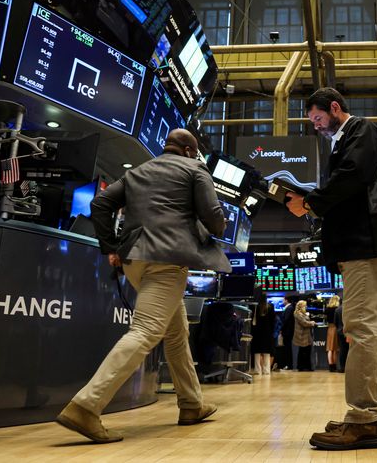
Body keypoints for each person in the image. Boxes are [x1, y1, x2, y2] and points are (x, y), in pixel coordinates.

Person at [56, 129, 230, 443]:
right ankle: (87, 405)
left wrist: (110, 247)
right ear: (191, 151)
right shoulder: (195, 169)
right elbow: (214, 218)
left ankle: (192, 403)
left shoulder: (139, 171)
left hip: (134, 259)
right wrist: (217, 224)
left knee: (176, 332)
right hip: (168, 259)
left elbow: (100, 204)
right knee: (146, 330)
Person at [286, 87, 377, 450]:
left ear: (335, 108)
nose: (316, 126)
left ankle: (363, 418)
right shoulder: (346, 139)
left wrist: (310, 202)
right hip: (366, 243)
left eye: (318, 118)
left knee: (360, 327)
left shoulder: (362, 130)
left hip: (367, 242)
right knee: (371, 328)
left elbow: (352, 176)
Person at [251, 296, 276, 375]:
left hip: (257, 332)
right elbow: (273, 320)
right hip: (267, 332)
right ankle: (266, 370)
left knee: (257, 352)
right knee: (267, 352)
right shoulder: (270, 307)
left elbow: (252, 319)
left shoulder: (255, 307)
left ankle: (257, 370)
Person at [293, 300, 316, 371]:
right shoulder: (298, 314)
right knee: (303, 351)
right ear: (301, 306)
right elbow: (304, 323)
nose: (306, 307)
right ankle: (301, 366)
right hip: (302, 335)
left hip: (306, 335)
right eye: (305, 305)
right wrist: (312, 323)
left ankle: (307, 366)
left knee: (307, 351)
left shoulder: (303, 313)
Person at [325, 295, 341, 372]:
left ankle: (331, 365)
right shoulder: (337, 309)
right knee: (335, 348)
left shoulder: (327, 309)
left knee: (329, 348)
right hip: (335, 328)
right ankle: (334, 365)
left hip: (329, 328)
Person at [281, 297, 296, 370]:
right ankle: (288, 364)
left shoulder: (289, 308)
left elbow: (285, 320)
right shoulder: (289, 308)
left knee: (288, 348)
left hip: (288, 332)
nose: (282, 301)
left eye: (283, 300)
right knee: (287, 348)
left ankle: (289, 365)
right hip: (287, 331)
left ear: (286, 300)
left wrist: (281, 328)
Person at [334, 300, 348, 373]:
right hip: (349, 332)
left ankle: (342, 367)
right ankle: (350, 367)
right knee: (350, 350)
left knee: (342, 350)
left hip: (340, 332)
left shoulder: (337, 309)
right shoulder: (350, 308)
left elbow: (335, 322)